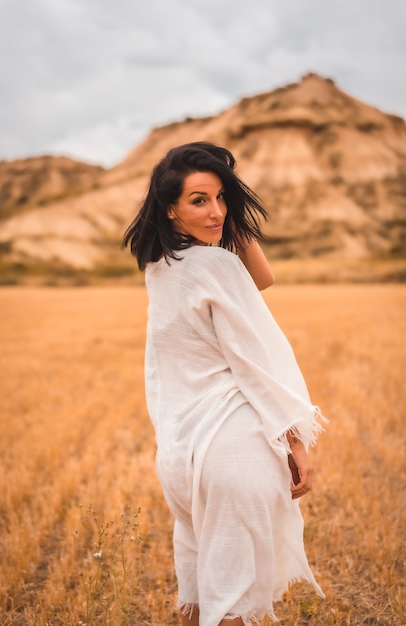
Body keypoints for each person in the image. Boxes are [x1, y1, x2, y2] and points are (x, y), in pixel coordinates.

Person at [122, 142, 326, 626]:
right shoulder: (217, 267)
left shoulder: (162, 269)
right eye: (198, 200)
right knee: (233, 605)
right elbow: (257, 362)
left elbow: (260, 278)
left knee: (203, 595)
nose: (215, 211)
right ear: (170, 209)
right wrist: (295, 439)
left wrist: (217, 223)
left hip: (182, 456)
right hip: (234, 450)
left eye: (221, 198)